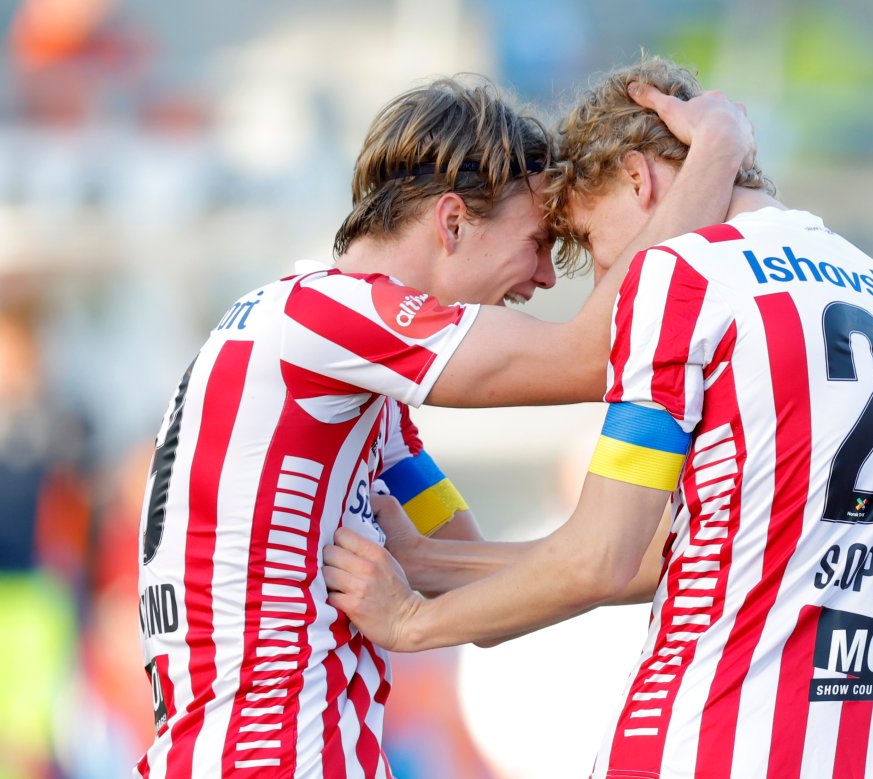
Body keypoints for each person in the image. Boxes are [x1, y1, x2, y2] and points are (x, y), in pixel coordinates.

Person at [325, 56, 873, 779]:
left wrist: (411, 621)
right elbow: (688, 549)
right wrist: (436, 562)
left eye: (592, 243)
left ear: (637, 177)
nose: (607, 275)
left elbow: (599, 556)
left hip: (705, 739)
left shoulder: (678, 280)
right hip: (870, 745)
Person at [135, 73, 754, 778]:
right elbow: (601, 349)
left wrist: (631, 557)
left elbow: (464, 575)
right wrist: (716, 152)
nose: (546, 278)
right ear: (453, 222)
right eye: (536, 241)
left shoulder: (354, 385)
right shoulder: (326, 320)